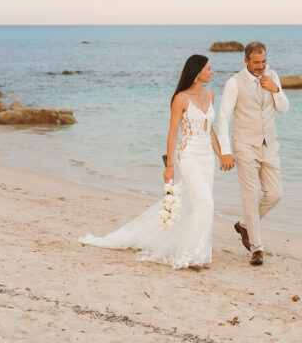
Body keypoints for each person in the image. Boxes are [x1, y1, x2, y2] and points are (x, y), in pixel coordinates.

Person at [80, 54, 229, 270]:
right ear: (197, 72)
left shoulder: (211, 95)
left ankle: (200, 252)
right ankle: (188, 255)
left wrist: (222, 154)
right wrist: (169, 166)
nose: (212, 71)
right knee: (206, 203)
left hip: (207, 158)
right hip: (187, 156)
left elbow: (210, 130)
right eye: (208, 68)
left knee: (195, 204)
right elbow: (172, 133)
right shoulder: (181, 98)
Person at [217, 41, 289, 266]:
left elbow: (284, 108)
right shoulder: (234, 83)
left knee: (275, 194)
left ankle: (245, 226)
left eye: (264, 61)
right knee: (251, 197)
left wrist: (275, 90)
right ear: (246, 61)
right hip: (245, 146)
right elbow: (223, 118)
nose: (261, 66)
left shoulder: (272, 76)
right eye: (256, 62)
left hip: (270, 146)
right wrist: (225, 152)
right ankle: (257, 249)